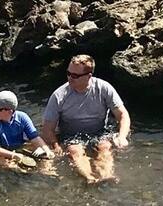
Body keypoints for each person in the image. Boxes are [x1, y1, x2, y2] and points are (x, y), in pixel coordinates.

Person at [39, 55, 131, 184]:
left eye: (75, 76)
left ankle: (106, 176)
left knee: (105, 147)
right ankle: (89, 178)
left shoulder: (103, 88)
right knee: (75, 150)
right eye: (68, 74)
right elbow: (47, 129)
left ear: (89, 76)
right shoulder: (59, 95)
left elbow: (123, 115)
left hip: (99, 132)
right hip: (71, 135)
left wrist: (122, 137)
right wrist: (55, 145)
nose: (70, 78)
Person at [0, 91, 55, 175]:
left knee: (45, 154)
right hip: (2, 149)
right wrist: (13, 155)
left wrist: (47, 151)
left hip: (19, 147)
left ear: (9, 111)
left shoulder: (22, 117)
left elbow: (35, 138)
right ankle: (14, 167)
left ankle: (48, 172)